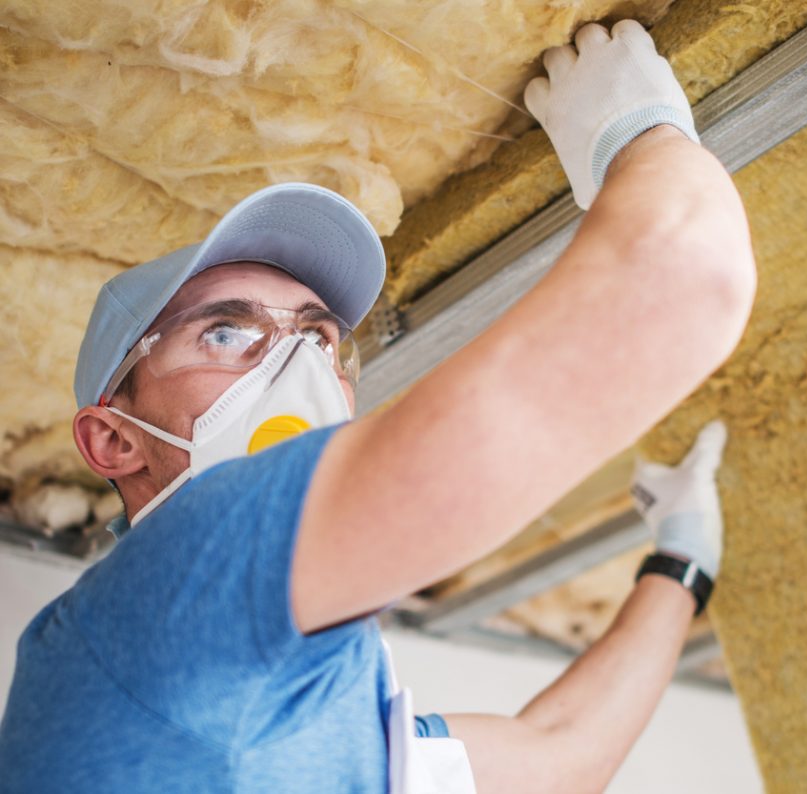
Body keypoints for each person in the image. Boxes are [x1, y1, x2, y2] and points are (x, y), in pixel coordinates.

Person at [0, 20, 755, 793]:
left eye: (323, 339)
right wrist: (634, 139)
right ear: (113, 441)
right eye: (227, 331)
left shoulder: (303, 706)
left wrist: (683, 559)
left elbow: (559, 752)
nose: (302, 363)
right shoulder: (172, 594)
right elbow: (687, 276)